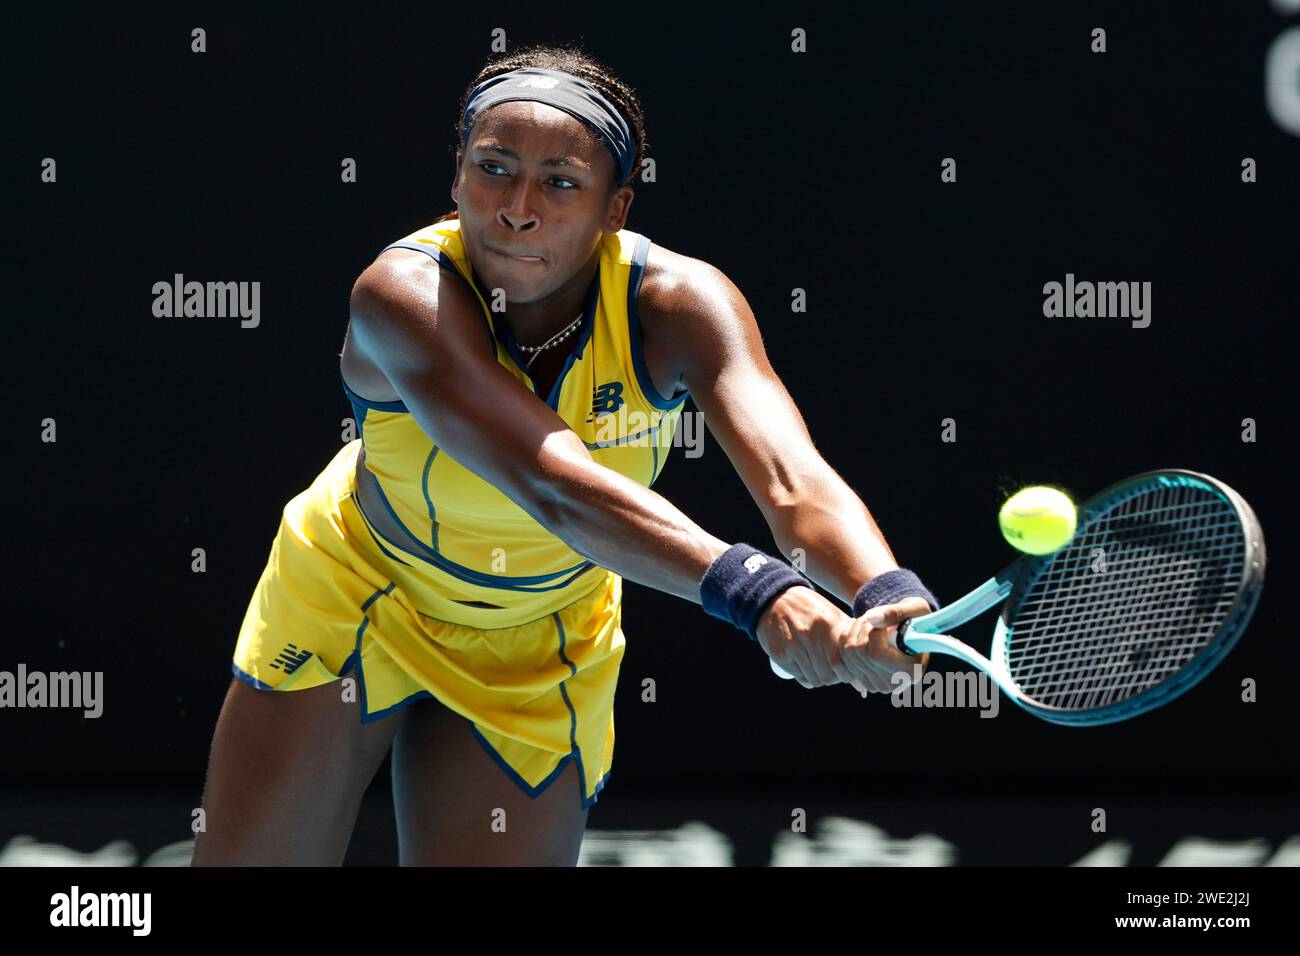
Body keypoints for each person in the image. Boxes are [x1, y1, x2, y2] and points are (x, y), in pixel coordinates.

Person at [192, 44, 939, 867]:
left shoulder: (684, 305)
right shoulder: (400, 295)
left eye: (559, 182)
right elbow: (550, 482)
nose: (517, 207)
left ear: (614, 209)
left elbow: (794, 480)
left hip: (546, 633)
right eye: (493, 168)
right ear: (455, 178)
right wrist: (757, 593)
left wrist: (883, 590)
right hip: (357, 594)